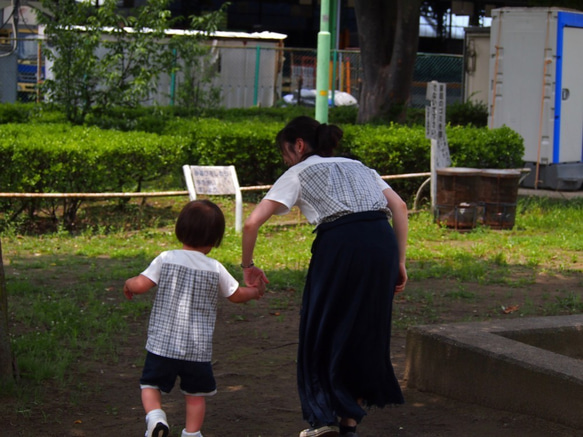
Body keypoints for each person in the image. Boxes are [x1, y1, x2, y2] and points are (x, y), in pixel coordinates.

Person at [242, 116, 408, 437]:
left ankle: (323, 419)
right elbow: (399, 207)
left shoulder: (299, 171)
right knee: (364, 329)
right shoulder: (359, 167)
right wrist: (399, 261)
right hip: (381, 240)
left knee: (321, 326)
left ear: (299, 145)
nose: (285, 160)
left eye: (285, 152)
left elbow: (251, 224)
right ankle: (349, 424)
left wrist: (248, 265)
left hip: (340, 245)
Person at [124, 199, 265, 437]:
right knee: (196, 395)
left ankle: (156, 418)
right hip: (197, 349)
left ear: (180, 230)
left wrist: (129, 283)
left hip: (162, 345)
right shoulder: (215, 267)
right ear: (215, 240)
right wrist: (254, 291)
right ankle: (192, 433)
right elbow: (235, 295)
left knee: (150, 385)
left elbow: (140, 285)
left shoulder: (166, 258)